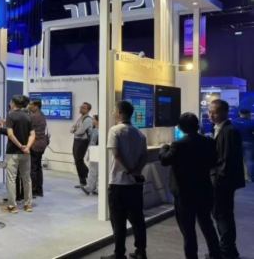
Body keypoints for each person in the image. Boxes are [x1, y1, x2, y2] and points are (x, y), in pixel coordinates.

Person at [159, 112, 222, 259]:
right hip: (204, 190)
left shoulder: (178, 145)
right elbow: (214, 162)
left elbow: (165, 160)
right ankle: (215, 254)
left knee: (188, 230)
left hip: (184, 193)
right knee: (207, 224)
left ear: (181, 127)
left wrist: (164, 147)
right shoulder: (208, 142)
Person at [102, 100, 148, 259]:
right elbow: (144, 157)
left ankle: (119, 253)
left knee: (118, 221)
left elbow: (116, 155)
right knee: (138, 220)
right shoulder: (139, 133)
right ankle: (141, 251)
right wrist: (136, 171)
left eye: (115, 110)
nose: (113, 113)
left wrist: (129, 170)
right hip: (135, 184)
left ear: (120, 113)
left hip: (118, 183)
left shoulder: (115, 130)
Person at [209, 99, 245, 259]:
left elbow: (226, 159)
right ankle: (229, 249)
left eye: (214, 112)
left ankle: (226, 251)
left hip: (222, 182)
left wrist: (216, 180)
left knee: (222, 215)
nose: (211, 115)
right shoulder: (221, 129)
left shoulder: (229, 131)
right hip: (223, 181)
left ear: (224, 112)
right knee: (223, 215)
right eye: (210, 111)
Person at [4, 95, 35, 213]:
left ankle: (12, 206)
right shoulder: (28, 116)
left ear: (13, 103)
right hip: (26, 153)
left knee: (11, 179)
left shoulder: (10, 115)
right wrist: (27, 147)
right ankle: (28, 205)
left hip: (12, 152)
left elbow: (10, 134)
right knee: (27, 179)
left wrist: (20, 146)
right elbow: (33, 134)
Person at [27, 99, 48, 197]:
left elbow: (27, 128)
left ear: (36, 106)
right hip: (42, 145)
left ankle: (33, 190)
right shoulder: (42, 115)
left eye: (31, 105)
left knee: (33, 168)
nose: (29, 106)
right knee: (38, 168)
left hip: (35, 145)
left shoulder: (34, 116)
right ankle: (39, 190)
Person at [70, 102, 93, 188]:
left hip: (82, 142)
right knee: (77, 161)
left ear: (88, 110)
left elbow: (80, 131)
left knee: (79, 160)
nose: (81, 108)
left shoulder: (88, 119)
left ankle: (89, 176)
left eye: (83, 108)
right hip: (76, 141)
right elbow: (72, 128)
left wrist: (75, 130)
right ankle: (83, 181)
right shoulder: (80, 118)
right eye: (81, 107)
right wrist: (75, 130)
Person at [232, 109, 254, 182]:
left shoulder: (233, 122)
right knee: (249, 161)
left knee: (236, 160)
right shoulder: (252, 122)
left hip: (236, 143)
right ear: (248, 114)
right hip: (249, 142)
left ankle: (237, 177)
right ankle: (250, 178)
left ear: (240, 113)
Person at [81, 114, 99, 195]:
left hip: (96, 151)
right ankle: (96, 188)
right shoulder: (95, 130)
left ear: (98, 121)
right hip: (94, 151)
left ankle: (89, 188)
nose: (92, 121)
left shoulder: (98, 131)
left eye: (94, 119)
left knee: (93, 171)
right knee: (96, 171)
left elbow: (93, 143)